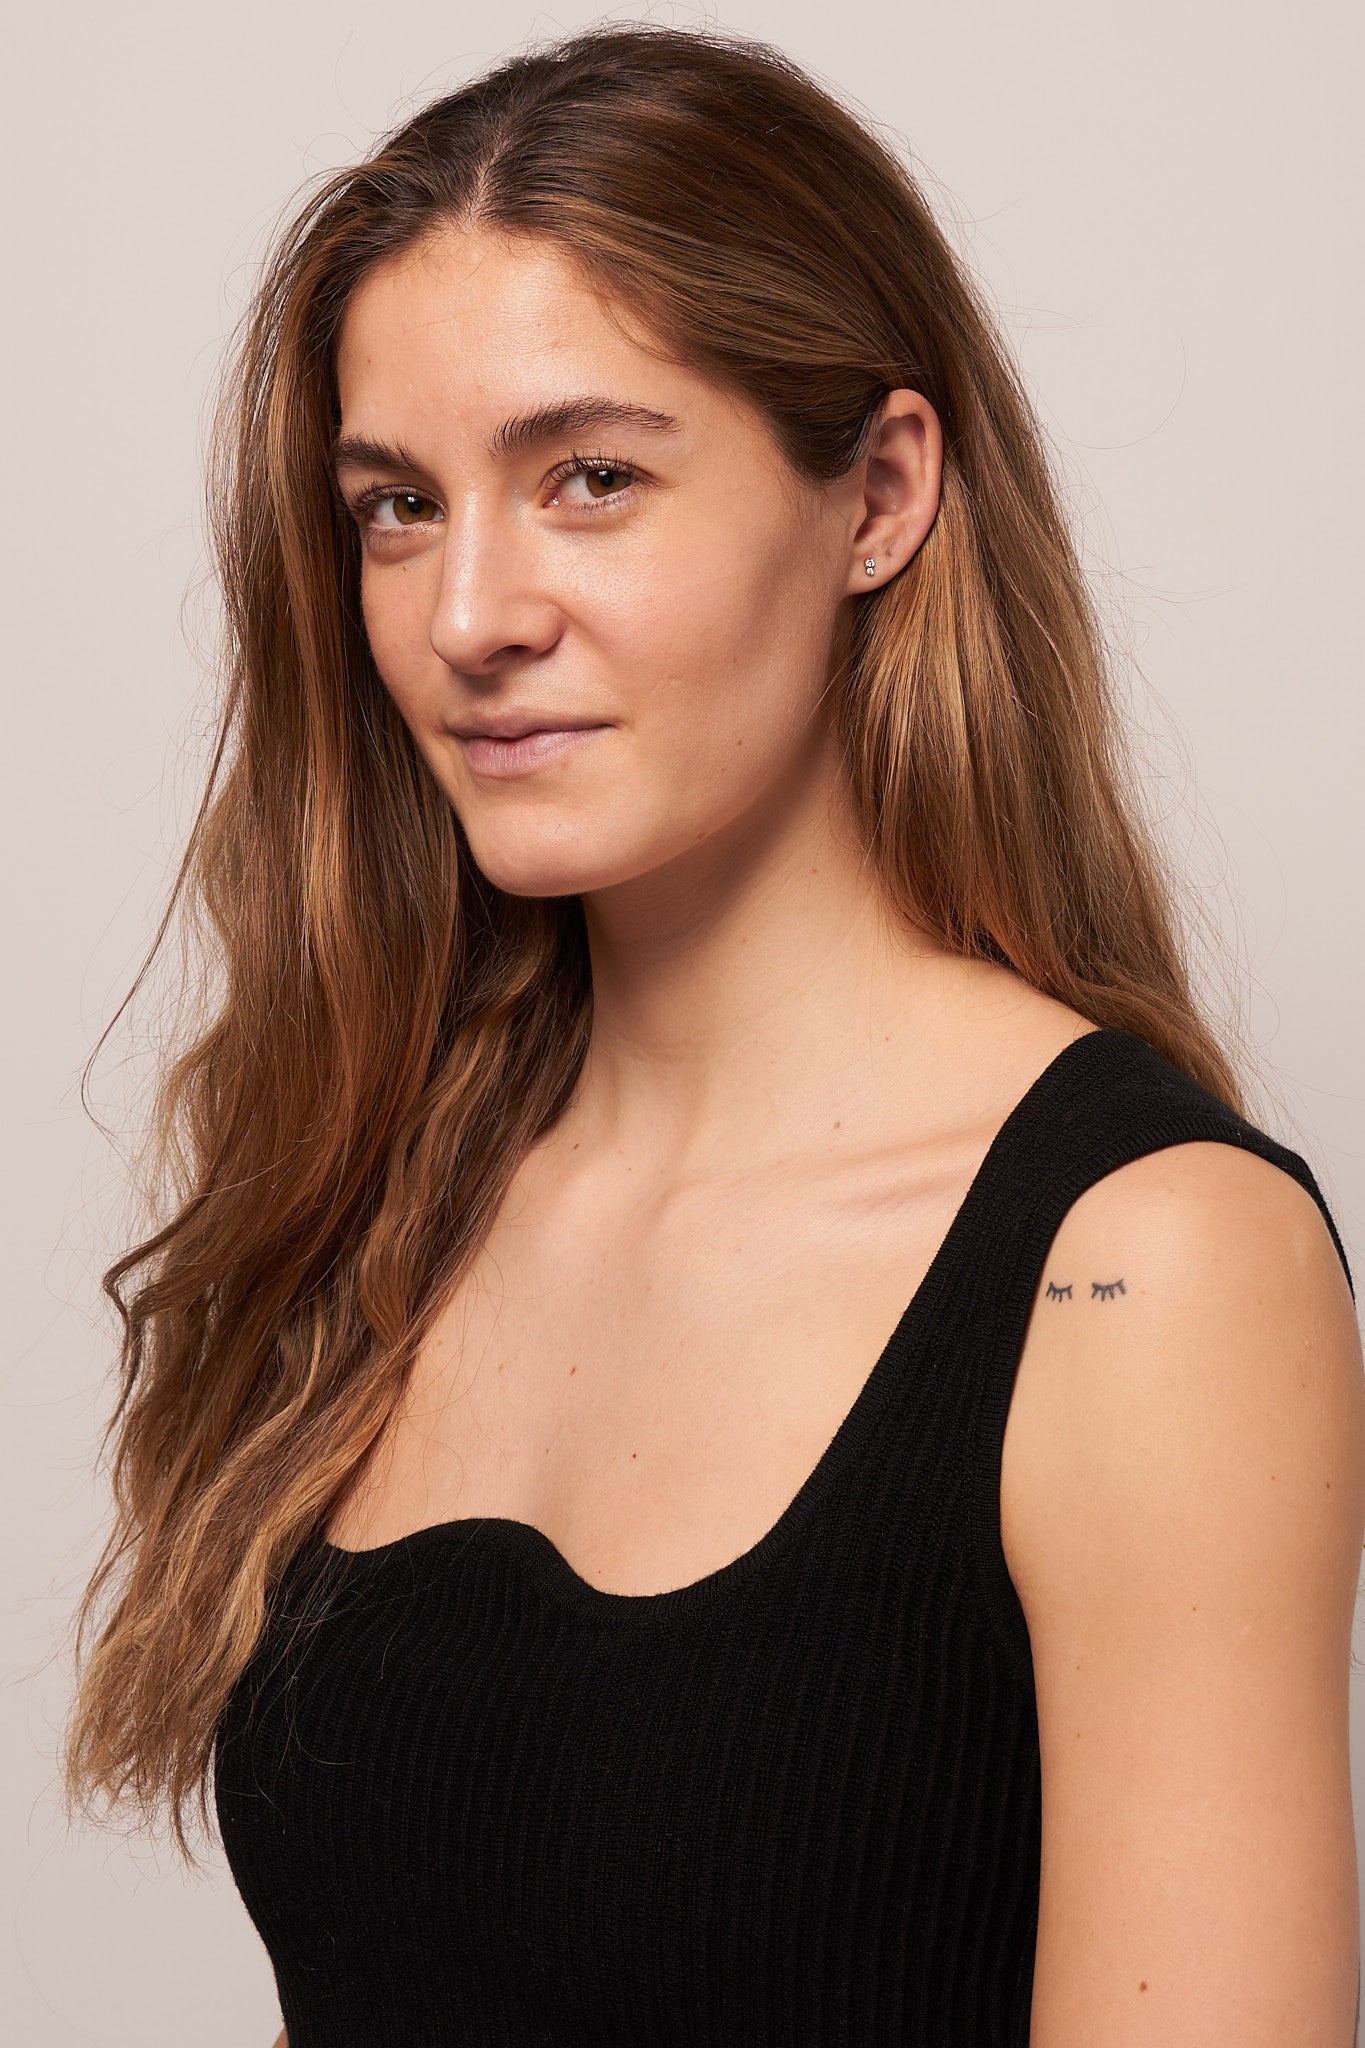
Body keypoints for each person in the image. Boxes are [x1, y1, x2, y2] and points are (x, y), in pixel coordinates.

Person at [65, 21, 1364, 2047]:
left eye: (588, 478)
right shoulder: (401, 1198)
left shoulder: (1141, 1266)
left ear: (879, 496)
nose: (469, 613)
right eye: (396, 505)